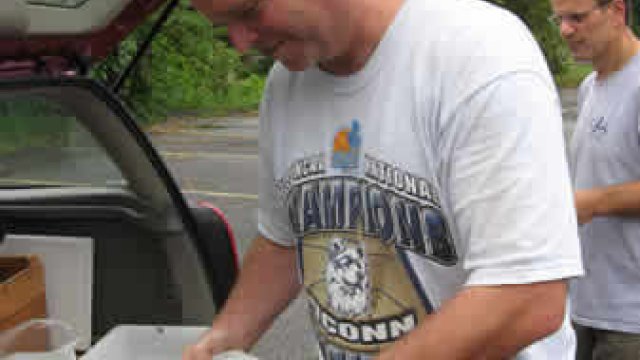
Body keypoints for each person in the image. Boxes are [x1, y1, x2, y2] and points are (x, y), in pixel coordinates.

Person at [184, 0, 584, 358]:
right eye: (225, 25)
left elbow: (527, 296)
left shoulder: (475, 53)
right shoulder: (285, 84)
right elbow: (285, 240)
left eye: (249, 12)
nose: (240, 42)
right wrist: (221, 340)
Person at [549, 0, 640, 358]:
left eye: (577, 18)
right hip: (586, 306)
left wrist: (592, 203)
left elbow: (593, 197)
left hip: (632, 319)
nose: (565, 30)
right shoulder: (589, 87)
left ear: (617, 11)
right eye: (559, 19)